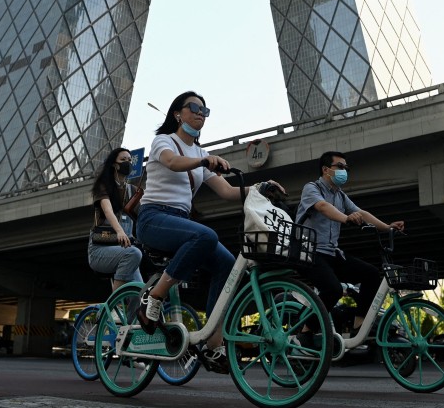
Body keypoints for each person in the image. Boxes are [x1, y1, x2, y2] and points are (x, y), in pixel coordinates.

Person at [135, 91, 286, 373]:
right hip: (153, 218)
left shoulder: (200, 154)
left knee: (228, 265)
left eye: (205, 110)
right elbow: (171, 162)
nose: (200, 113)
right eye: (194, 108)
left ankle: (213, 343)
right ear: (178, 113)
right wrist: (204, 162)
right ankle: (154, 297)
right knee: (205, 235)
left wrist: (260, 187)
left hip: (180, 221)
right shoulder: (164, 141)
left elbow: (228, 191)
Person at [295, 151, 404, 333]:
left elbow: (362, 213)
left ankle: (359, 325)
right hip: (309, 252)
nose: (344, 171)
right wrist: (346, 218)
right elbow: (322, 207)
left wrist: (387, 227)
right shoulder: (312, 188)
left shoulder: (340, 195)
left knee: (370, 274)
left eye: (346, 168)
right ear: (326, 169)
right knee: (333, 290)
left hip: (331, 253)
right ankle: (306, 331)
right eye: (340, 167)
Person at [87, 148, 143, 289]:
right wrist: (119, 231)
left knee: (141, 292)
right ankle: (115, 305)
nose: (127, 163)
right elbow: (108, 210)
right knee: (134, 253)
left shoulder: (132, 191)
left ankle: (130, 310)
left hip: (125, 249)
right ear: (114, 164)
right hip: (100, 249)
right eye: (123, 160)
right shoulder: (103, 186)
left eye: (130, 160)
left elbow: (143, 215)